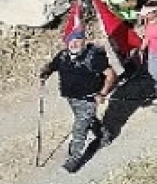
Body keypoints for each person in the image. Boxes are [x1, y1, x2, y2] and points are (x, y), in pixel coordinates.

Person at [39, 30, 117, 173]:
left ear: (84, 41)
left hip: (89, 98)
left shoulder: (93, 57)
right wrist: (46, 72)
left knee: (80, 127)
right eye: (70, 40)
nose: (73, 43)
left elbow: (111, 75)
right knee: (88, 120)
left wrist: (103, 93)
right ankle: (105, 136)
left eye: (77, 40)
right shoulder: (63, 56)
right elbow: (52, 66)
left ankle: (73, 159)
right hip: (72, 98)